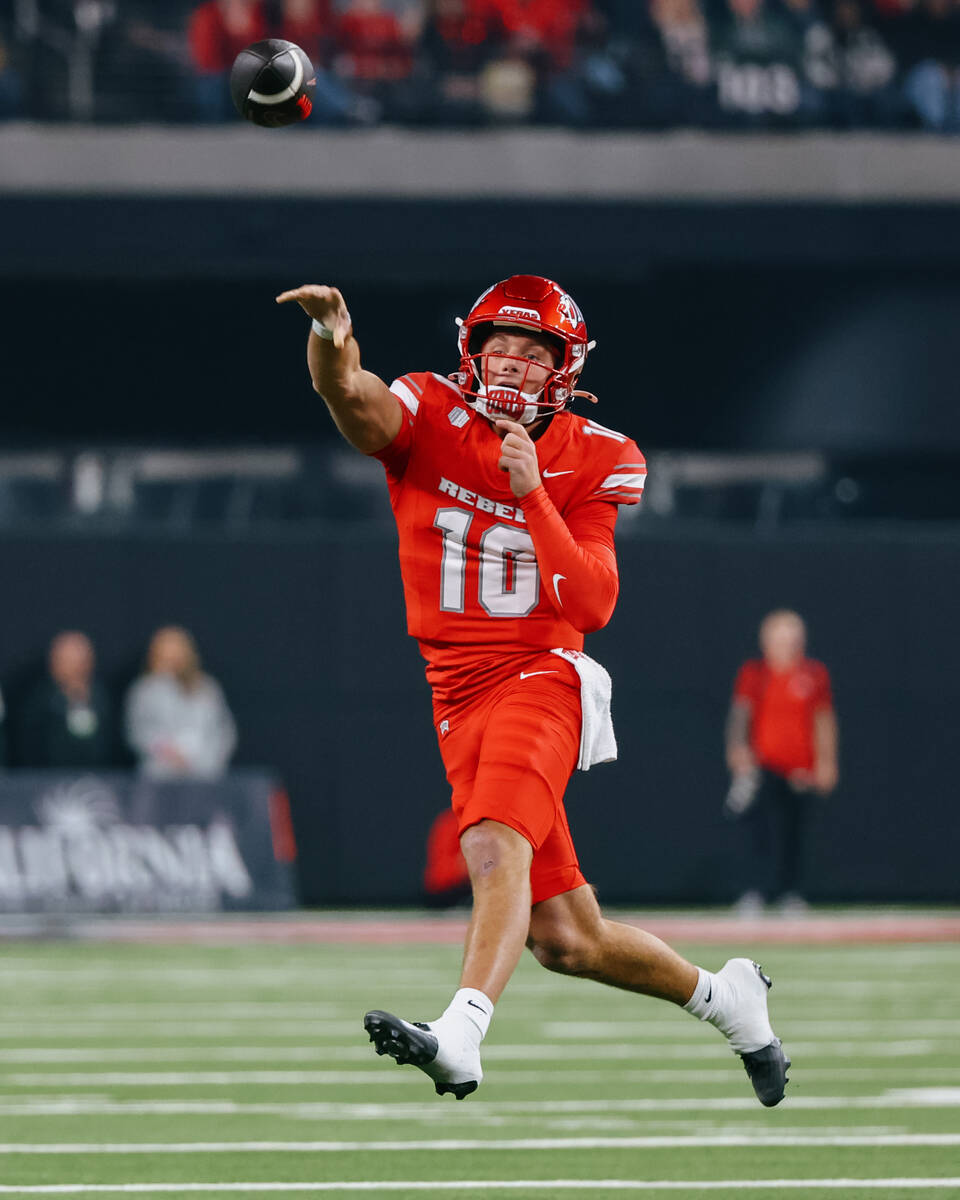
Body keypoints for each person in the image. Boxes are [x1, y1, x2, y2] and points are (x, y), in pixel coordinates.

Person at [275, 273, 790, 1107]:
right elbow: (352, 399)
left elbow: (591, 602)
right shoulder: (429, 411)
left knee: (489, 843)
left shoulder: (599, 454)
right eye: (499, 345)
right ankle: (728, 998)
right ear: (470, 351)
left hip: (542, 675)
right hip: (455, 691)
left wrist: (533, 493)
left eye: (533, 349)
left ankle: (461, 1033)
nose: (511, 361)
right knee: (568, 939)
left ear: (566, 365)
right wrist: (331, 341)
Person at [725, 609, 839, 915]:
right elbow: (742, 713)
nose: (784, 643)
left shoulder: (813, 674)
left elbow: (822, 720)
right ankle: (754, 892)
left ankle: (791, 893)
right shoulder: (755, 673)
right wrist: (737, 748)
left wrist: (825, 761)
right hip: (763, 766)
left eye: (790, 636)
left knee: (794, 833)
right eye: (778, 636)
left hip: (799, 769)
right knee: (758, 831)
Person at [124, 625, 237, 778]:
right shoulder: (144, 690)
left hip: (205, 776)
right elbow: (137, 733)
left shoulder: (208, 688)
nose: (172, 659)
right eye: (165, 654)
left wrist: (205, 761)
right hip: (159, 777)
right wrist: (168, 753)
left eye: (176, 653)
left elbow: (225, 733)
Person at [20, 632, 117, 769]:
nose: (75, 668)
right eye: (66, 660)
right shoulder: (39, 701)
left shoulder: (102, 698)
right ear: (53, 663)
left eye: (79, 661)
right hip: (48, 778)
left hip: (98, 778)